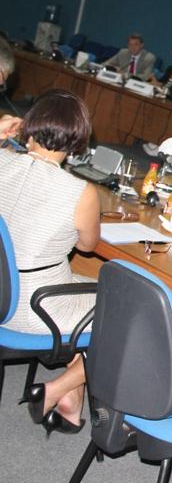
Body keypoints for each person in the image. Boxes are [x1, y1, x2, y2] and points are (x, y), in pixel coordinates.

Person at [0, 89, 100, 435]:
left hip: (5, 295)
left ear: (28, 124)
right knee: (127, 313)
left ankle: (71, 401)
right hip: (34, 309)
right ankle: (56, 389)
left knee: (90, 292)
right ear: (79, 137)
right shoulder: (80, 192)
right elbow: (88, 245)